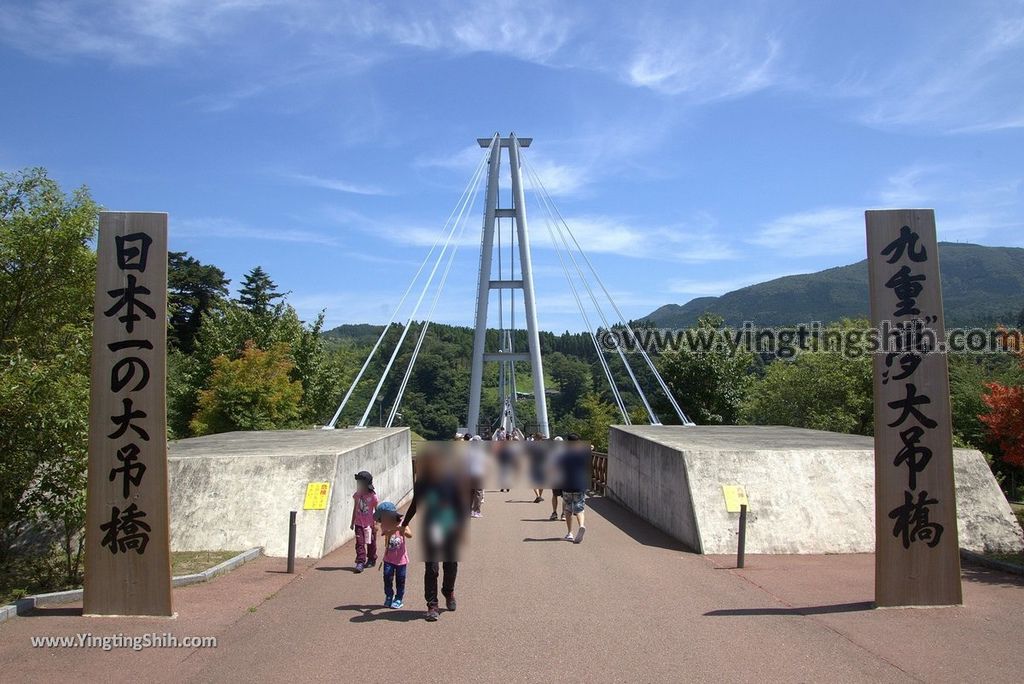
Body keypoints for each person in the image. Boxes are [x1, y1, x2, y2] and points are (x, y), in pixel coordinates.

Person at [402, 447, 468, 622]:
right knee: (432, 568)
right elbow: (416, 503)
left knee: (450, 564)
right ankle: (432, 605)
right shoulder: (423, 482)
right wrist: (405, 522)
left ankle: (448, 590)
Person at [374, 501, 412, 609]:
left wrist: (402, 528)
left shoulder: (402, 522)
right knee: (387, 577)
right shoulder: (384, 525)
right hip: (388, 559)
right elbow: (386, 532)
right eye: (382, 516)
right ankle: (389, 596)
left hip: (401, 559)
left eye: (386, 515)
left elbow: (410, 534)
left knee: (400, 579)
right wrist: (397, 529)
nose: (384, 518)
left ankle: (399, 598)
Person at [558, 434, 590, 543]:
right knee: (579, 508)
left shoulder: (564, 454)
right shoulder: (582, 454)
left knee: (568, 509)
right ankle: (581, 525)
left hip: (567, 484)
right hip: (579, 484)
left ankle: (570, 533)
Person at [350, 471, 378, 571]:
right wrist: (352, 522)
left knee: (371, 542)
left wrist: (377, 523)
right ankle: (360, 562)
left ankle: (371, 559)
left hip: (370, 524)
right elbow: (355, 508)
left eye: (360, 483)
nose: (359, 485)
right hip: (358, 524)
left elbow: (377, 509)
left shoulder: (373, 496)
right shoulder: (357, 495)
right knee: (360, 543)